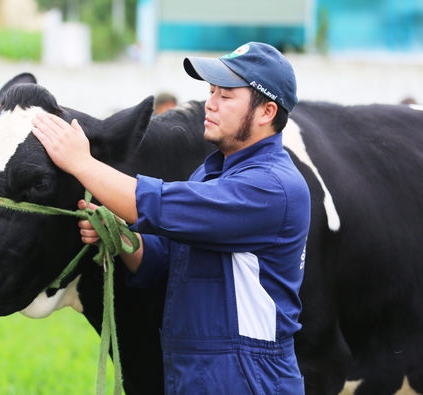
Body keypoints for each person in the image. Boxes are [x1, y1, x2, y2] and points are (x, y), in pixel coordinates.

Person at [32, 42, 310, 395]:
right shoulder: (211, 175)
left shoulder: (272, 188)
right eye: (211, 91)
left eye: (226, 95)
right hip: (196, 374)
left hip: (247, 379)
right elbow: (166, 260)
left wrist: (81, 163)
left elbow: (158, 205)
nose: (210, 103)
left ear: (267, 112)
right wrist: (119, 238)